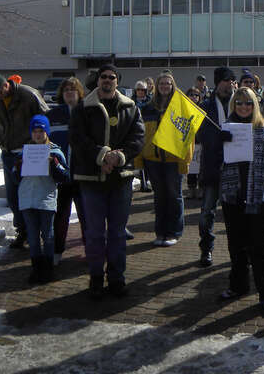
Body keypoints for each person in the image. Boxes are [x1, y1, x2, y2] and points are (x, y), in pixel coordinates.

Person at [69, 63, 145, 299]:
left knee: (117, 233)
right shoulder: (83, 108)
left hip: (120, 181)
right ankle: (95, 278)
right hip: (91, 180)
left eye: (112, 77)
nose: (108, 80)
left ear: (117, 81)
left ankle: (116, 278)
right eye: (104, 77)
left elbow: (138, 137)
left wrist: (119, 157)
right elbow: (77, 139)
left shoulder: (130, 107)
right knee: (93, 233)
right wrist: (100, 155)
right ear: (98, 79)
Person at [217, 86, 264, 315]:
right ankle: (238, 286)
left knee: (261, 248)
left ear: (255, 105)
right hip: (233, 197)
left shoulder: (263, 130)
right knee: (236, 246)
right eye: (239, 103)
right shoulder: (225, 129)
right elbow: (214, 164)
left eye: (248, 103)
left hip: (258, 197)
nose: (244, 107)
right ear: (233, 105)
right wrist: (219, 143)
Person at [0, 72, 49, 249]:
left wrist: (38, 145)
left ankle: (39, 232)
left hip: (31, 151)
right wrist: (2, 144)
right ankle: (23, 231)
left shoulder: (28, 94)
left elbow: (44, 119)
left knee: (33, 195)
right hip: (8, 152)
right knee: (13, 197)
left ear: (6, 85)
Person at [138, 71, 192, 246]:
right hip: (152, 160)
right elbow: (140, 135)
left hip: (172, 160)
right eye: (161, 83)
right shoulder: (147, 108)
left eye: (168, 83)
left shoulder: (179, 107)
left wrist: (185, 162)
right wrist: (139, 160)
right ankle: (160, 232)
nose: (164, 86)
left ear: (172, 85)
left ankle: (174, 232)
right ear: (156, 86)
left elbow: (187, 137)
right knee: (159, 197)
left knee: (174, 196)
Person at [14, 115, 68, 284]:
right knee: (32, 235)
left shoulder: (55, 151)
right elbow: (15, 177)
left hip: (46, 198)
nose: (38, 134)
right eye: (35, 131)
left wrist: (55, 165)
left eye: (41, 131)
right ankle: (36, 268)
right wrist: (18, 168)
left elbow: (65, 177)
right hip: (28, 199)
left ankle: (48, 268)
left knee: (48, 234)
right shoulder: (24, 152)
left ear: (47, 132)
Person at [196, 66, 236, 267]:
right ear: (217, 82)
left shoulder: (241, 103)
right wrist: (216, 137)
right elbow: (199, 134)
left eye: (232, 80)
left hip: (235, 167)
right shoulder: (205, 106)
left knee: (235, 215)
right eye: (225, 80)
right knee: (207, 212)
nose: (229, 84)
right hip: (212, 164)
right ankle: (206, 249)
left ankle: (237, 252)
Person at [48, 77, 89, 264]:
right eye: (66, 90)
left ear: (79, 92)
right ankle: (57, 251)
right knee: (60, 217)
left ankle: (91, 249)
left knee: (87, 215)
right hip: (61, 175)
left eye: (73, 89)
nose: (69, 92)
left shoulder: (87, 112)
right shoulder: (52, 115)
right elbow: (44, 141)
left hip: (83, 173)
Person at [184, 87, 204, 199]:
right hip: (188, 141)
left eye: (196, 95)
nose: (194, 97)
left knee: (200, 167)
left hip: (200, 141)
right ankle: (191, 190)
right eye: (191, 94)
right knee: (190, 168)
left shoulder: (203, 109)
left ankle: (201, 189)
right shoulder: (184, 109)